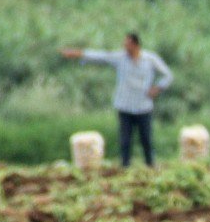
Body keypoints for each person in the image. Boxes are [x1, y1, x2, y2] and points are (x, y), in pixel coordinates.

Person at [60, 33, 173, 167]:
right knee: (125, 140)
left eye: (128, 44)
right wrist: (79, 54)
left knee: (146, 140)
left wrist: (157, 88)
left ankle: (150, 165)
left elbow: (167, 75)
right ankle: (125, 167)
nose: (125, 47)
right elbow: (101, 56)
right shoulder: (120, 58)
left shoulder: (150, 59)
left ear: (135, 45)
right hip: (124, 106)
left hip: (143, 106)